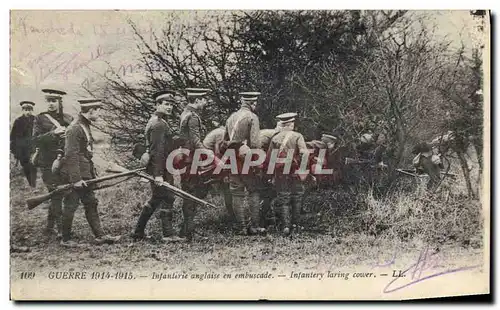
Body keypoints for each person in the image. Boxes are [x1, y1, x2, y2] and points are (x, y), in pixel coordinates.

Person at [59, 98, 120, 247]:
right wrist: (76, 179)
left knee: (91, 203)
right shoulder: (75, 128)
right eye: (98, 110)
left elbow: (86, 152)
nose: (99, 114)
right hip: (75, 175)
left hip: (84, 174)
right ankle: (65, 239)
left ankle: (100, 236)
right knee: (70, 205)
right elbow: (71, 155)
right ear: (91, 111)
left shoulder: (83, 125)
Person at [133, 90, 183, 242]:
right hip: (160, 166)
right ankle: (168, 234)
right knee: (168, 196)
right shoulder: (158, 124)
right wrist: (158, 174)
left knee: (156, 198)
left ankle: (138, 232)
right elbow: (157, 151)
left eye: (171, 105)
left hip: (160, 165)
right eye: (166, 104)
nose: (169, 107)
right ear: (157, 104)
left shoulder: (158, 121)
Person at [32, 88, 73, 237]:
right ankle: (62, 230)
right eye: (48, 100)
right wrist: (53, 133)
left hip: (64, 161)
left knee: (60, 193)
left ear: (60, 102)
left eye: (54, 100)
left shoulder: (69, 119)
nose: (51, 104)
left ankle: (50, 226)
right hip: (47, 162)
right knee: (56, 193)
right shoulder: (40, 118)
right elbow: (35, 140)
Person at [223, 91, 262, 235]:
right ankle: (255, 226)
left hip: (232, 155)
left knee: (236, 192)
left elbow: (224, 140)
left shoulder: (231, 117)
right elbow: (256, 143)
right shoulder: (252, 117)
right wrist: (257, 163)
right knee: (254, 190)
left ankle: (241, 228)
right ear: (252, 103)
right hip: (246, 156)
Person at [178, 87, 213, 241]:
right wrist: (209, 152)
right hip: (191, 159)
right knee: (192, 193)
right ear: (197, 100)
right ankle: (188, 232)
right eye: (204, 99)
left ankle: (186, 229)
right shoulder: (192, 117)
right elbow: (195, 141)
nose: (205, 102)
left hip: (186, 158)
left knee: (190, 193)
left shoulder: (185, 113)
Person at [268, 112, 310, 236]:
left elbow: (270, 158)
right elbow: (304, 153)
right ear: (291, 124)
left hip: (280, 171)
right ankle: (296, 225)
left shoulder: (275, 138)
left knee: (283, 197)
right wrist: (302, 169)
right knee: (297, 196)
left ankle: (285, 226)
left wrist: (271, 175)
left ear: (282, 124)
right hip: (294, 170)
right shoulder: (297, 136)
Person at [10, 101, 37, 188]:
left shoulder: (35, 119)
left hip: (33, 148)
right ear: (22, 110)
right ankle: (31, 184)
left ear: (32, 110)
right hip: (22, 149)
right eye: (25, 110)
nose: (28, 112)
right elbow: (13, 137)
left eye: (29, 110)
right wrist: (14, 150)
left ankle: (34, 184)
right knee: (26, 167)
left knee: (33, 166)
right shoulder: (18, 121)